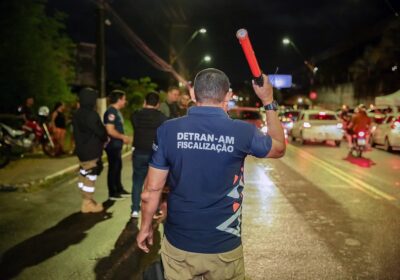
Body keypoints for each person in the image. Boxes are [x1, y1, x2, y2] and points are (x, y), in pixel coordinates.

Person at [137, 68, 286, 279]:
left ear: (192, 95)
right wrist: (268, 100)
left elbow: (151, 189)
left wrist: (145, 227)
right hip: (224, 247)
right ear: (228, 95)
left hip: (180, 245)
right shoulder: (242, 132)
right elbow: (279, 147)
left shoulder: (168, 130)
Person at [130, 92, 167, 219]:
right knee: (154, 184)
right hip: (155, 154)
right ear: (158, 104)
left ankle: (135, 209)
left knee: (137, 181)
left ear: (145, 102)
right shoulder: (162, 118)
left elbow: (135, 124)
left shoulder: (136, 115)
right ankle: (155, 210)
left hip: (139, 152)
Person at [72, 88, 108, 213]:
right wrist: (105, 137)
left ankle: (85, 198)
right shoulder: (91, 114)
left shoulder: (77, 114)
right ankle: (87, 203)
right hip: (91, 150)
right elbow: (100, 131)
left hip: (81, 150)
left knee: (84, 172)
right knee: (91, 175)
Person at [104, 90, 132, 201]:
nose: (125, 101)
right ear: (119, 99)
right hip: (112, 145)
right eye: (124, 99)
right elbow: (110, 130)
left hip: (116, 145)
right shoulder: (111, 112)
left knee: (118, 167)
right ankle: (113, 192)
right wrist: (123, 137)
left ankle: (119, 189)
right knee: (113, 168)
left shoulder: (115, 111)